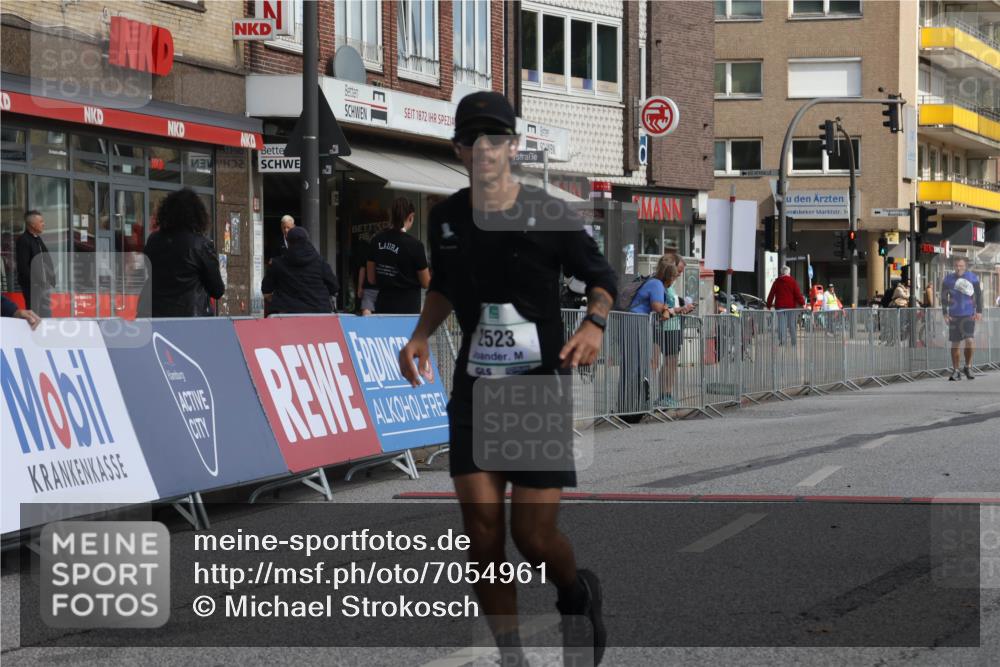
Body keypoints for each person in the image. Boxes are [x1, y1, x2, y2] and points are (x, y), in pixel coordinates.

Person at [397, 91, 616, 666]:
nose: (485, 150)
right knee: (483, 532)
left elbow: (602, 278)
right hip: (475, 390)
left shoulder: (549, 212)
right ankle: (511, 656)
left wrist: (594, 323)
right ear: (459, 149)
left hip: (534, 391)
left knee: (534, 540)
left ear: (513, 146)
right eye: (473, 140)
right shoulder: (445, 218)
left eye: (496, 139)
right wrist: (421, 334)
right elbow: (443, 286)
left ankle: (576, 592)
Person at [139, 188, 225, 317]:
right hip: (190, 320)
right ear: (197, 215)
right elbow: (217, 290)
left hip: (156, 317)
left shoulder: (153, 240)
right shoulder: (200, 244)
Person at [368, 198, 430, 314]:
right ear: (411, 216)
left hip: (383, 306)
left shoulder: (376, 240)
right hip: (408, 309)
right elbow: (426, 283)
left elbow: (371, 278)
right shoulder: (416, 245)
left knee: (385, 332)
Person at [261, 227, 339, 314]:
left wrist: (279, 300)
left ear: (288, 242)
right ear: (307, 241)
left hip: (286, 315)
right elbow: (334, 287)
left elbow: (266, 290)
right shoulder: (320, 262)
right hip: (319, 313)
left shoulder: (277, 264)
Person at [941, 256, 983, 381]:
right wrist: (945, 313)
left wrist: (979, 311)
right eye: (956, 266)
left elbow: (979, 296)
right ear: (954, 266)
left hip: (968, 314)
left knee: (969, 340)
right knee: (955, 344)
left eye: (961, 266)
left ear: (965, 266)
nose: (958, 268)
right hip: (954, 315)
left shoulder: (973, 278)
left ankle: (968, 366)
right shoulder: (948, 279)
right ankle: (956, 370)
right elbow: (944, 297)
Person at [659, 263, 694, 408]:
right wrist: (681, 309)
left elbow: (673, 308)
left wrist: (684, 309)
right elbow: (664, 310)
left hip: (675, 327)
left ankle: (668, 393)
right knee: (667, 363)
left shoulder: (671, 288)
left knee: (672, 364)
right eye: (674, 276)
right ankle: (663, 395)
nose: (676, 278)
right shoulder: (662, 288)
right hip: (667, 328)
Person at [15, 210, 55, 317]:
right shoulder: (24, 240)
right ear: (32, 224)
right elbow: (23, 267)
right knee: (35, 315)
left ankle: (46, 333)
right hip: (32, 286)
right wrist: (35, 283)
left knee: (46, 314)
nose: (44, 224)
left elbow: (46, 259)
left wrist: (51, 277)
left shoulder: (37, 239)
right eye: (41, 221)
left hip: (43, 285)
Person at [766, 266, 806, 346]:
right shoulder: (792, 281)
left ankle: (782, 341)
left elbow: (771, 294)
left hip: (780, 307)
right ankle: (793, 342)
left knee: (781, 324)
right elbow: (797, 294)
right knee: (792, 324)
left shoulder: (777, 282)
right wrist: (802, 303)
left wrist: (768, 305)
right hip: (790, 307)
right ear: (788, 273)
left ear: (781, 273)